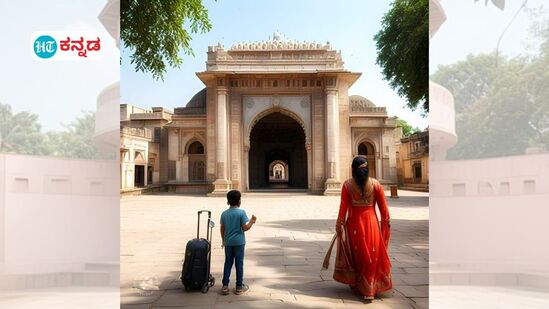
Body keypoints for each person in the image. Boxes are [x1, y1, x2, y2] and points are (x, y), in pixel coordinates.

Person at [335, 156, 392, 302]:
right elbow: (384, 209)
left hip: (354, 224)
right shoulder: (376, 184)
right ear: (367, 169)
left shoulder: (347, 185)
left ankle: (360, 284)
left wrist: (339, 223)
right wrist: (386, 224)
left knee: (358, 253)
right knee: (372, 255)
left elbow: (343, 207)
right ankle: (370, 288)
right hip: (371, 223)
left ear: (353, 169)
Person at [220, 190, 257, 295]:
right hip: (239, 243)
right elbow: (245, 228)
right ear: (239, 201)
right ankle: (239, 287)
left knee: (228, 263)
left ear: (227, 201)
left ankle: (225, 286)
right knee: (239, 264)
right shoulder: (241, 212)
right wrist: (252, 221)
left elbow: (222, 229)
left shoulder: (224, 214)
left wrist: (223, 240)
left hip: (228, 242)